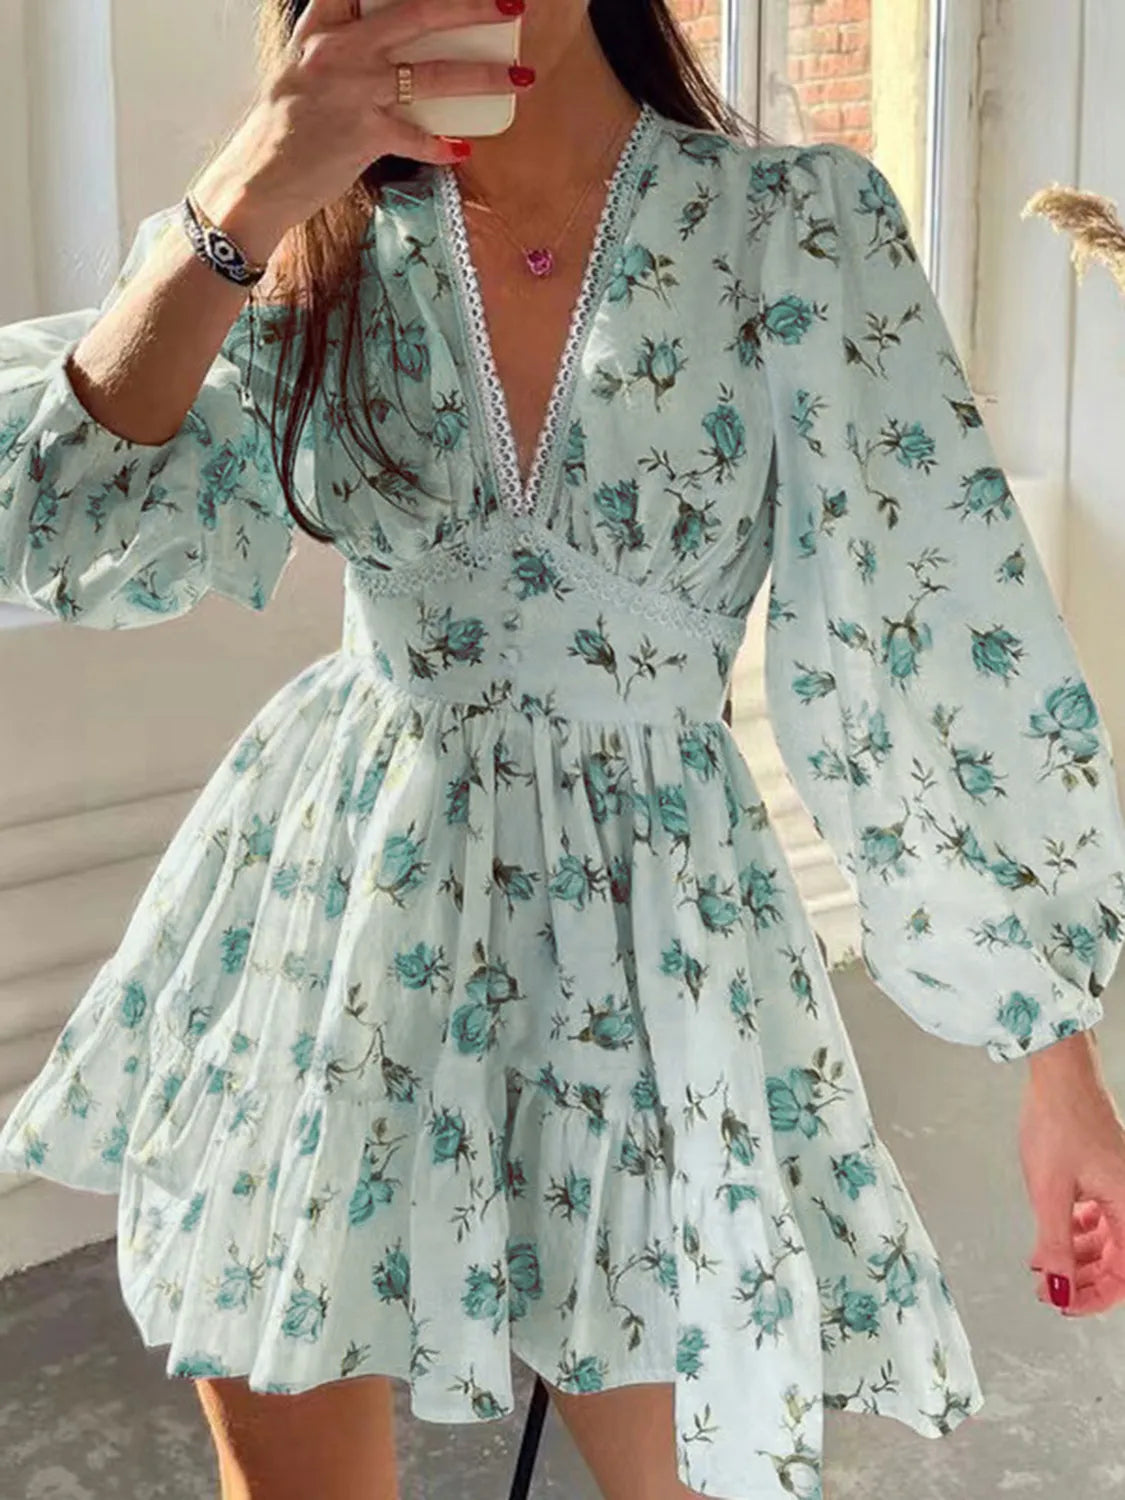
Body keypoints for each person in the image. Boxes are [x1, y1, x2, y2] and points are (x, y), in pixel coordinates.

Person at [2, 1, 1125, 1496]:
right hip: (341, 916)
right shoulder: (298, 237)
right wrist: (256, 183)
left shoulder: (792, 226)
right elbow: (58, 527)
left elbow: (924, 635)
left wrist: (1055, 1067)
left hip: (657, 939)